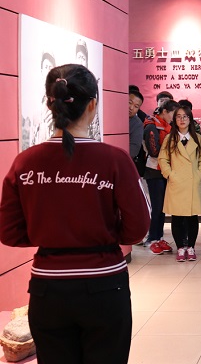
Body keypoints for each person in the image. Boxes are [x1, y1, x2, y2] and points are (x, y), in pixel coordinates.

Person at [0, 64, 150, 364]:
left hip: (47, 289)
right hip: (104, 285)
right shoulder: (115, 160)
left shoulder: (25, 163)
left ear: (50, 103)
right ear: (93, 104)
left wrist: (50, 234)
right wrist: (106, 235)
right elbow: (138, 227)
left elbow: (9, 231)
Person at [159, 105, 201, 262]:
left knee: (193, 217)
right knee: (177, 217)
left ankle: (191, 247)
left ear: (190, 119)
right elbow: (163, 159)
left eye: (185, 116)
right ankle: (180, 247)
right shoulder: (170, 138)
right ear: (175, 119)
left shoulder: (198, 138)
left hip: (193, 182)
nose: (182, 119)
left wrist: (199, 173)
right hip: (176, 182)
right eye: (178, 116)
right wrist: (170, 175)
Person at [143, 99, 180, 254]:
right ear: (164, 112)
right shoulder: (151, 126)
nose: (175, 118)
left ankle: (159, 237)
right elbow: (154, 151)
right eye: (173, 114)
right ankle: (152, 239)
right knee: (157, 207)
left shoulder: (168, 127)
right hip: (154, 172)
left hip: (165, 171)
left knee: (163, 207)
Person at [129, 89, 144, 159]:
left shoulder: (138, 124)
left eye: (136, 106)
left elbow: (133, 150)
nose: (131, 108)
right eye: (129, 102)